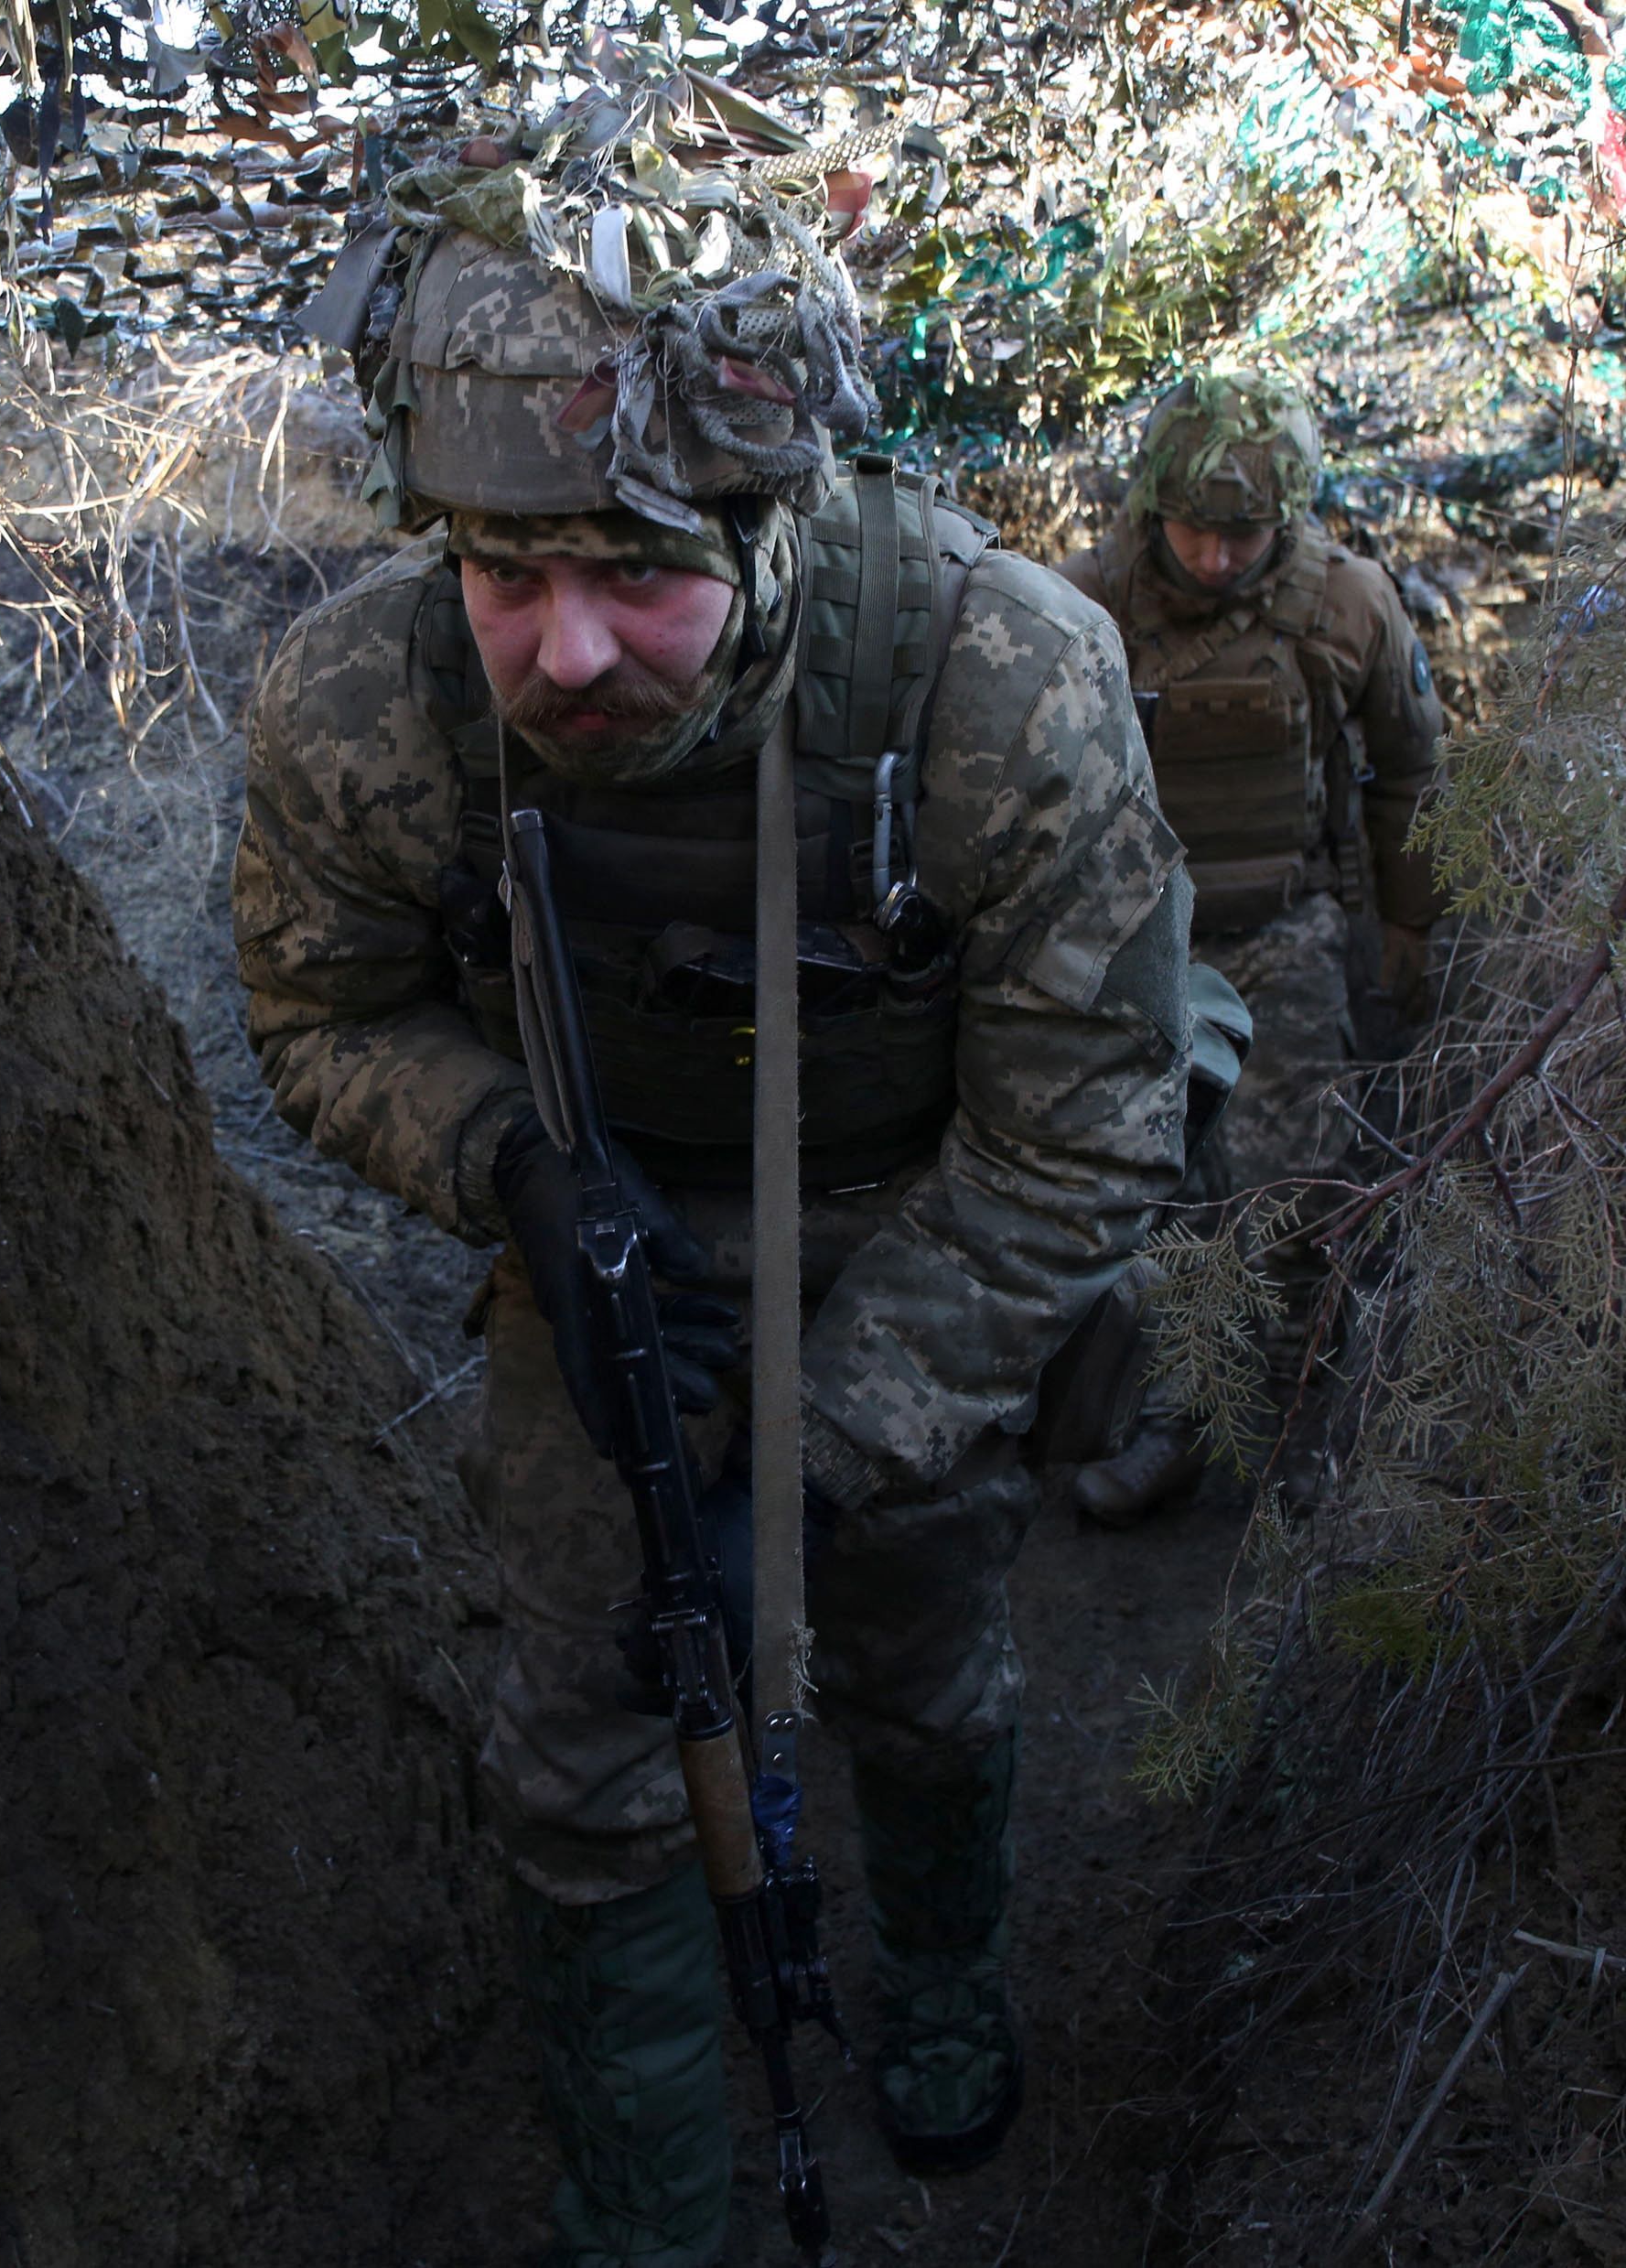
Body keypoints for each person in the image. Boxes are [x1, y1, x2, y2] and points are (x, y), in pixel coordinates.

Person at [233, 123, 1194, 2268]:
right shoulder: (372, 701)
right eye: (507, 578)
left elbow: (1090, 1124)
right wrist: (508, 1165)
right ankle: (650, 2202)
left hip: (928, 1243)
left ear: (778, 526)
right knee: (589, 1767)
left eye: (636, 574)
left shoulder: (995, 685)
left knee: (922, 1682)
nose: (564, 654)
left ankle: (939, 1979)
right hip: (604, 1269)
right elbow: (319, 1014)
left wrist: (843, 1443)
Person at [1051, 372, 1446, 1527]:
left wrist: (1408, 928)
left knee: (1287, 1192)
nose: (1218, 559)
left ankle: (1298, 1427)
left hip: (1285, 933)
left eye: (1244, 535)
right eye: (1195, 531)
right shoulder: (1079, 606)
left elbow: (1412, 775)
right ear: (1148, 508)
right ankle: (1172, 1417)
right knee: (1150, 1198)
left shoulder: (1348, 607)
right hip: (1132, 948)